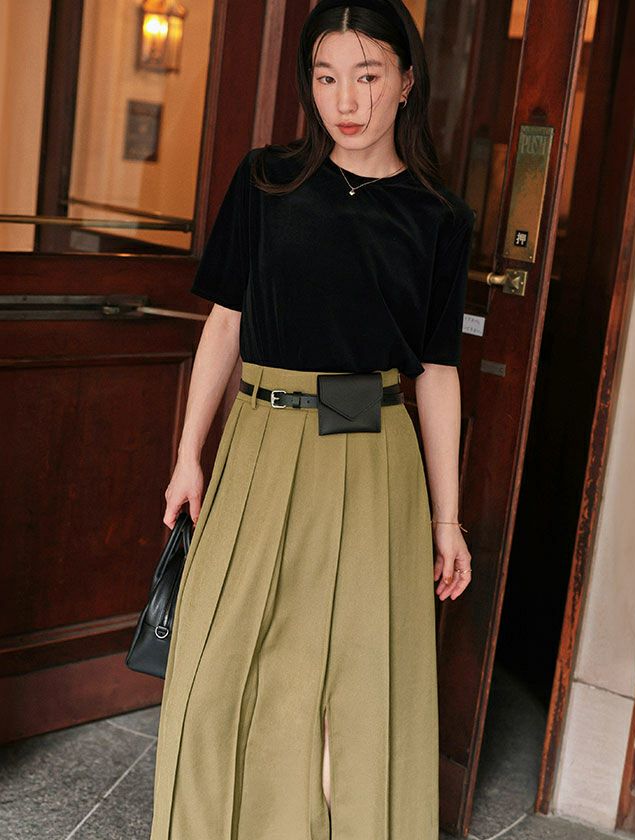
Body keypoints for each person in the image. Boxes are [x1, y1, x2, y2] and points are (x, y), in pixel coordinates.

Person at [149, 1, 475, 838]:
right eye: (327, 78)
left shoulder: (437, 216)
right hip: (260, 442)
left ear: (406, 81)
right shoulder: (266, 181)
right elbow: (224, 324)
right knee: (218, 668)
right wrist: (188, 455)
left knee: (352, 689)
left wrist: (447, 519)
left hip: (372, 453)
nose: (347, 100)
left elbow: (437, 371)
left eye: (368, 76)